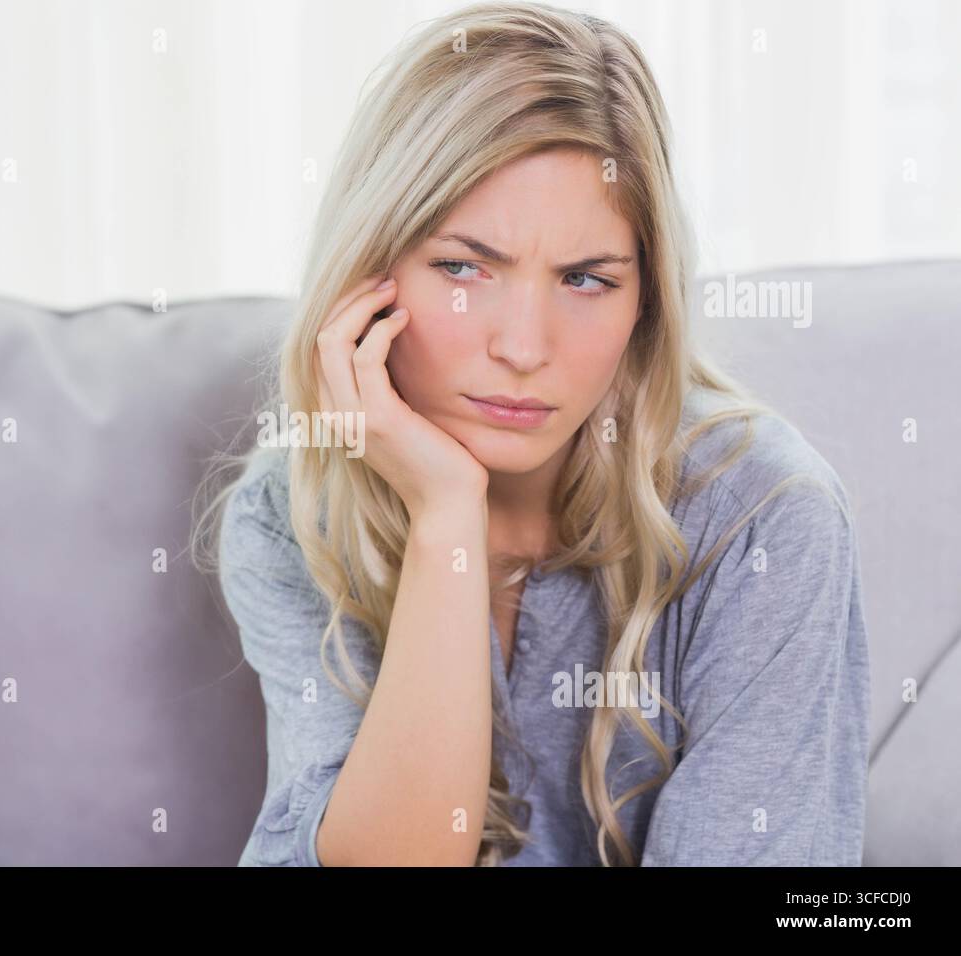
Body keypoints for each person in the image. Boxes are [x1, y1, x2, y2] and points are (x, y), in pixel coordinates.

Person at [196, 0, 870, 866]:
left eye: (586, 279)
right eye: (464, 267)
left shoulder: (765, 521)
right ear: (368, 273)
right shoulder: (289, 513)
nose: (523, 348)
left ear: (646, 303)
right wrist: (445, 516)